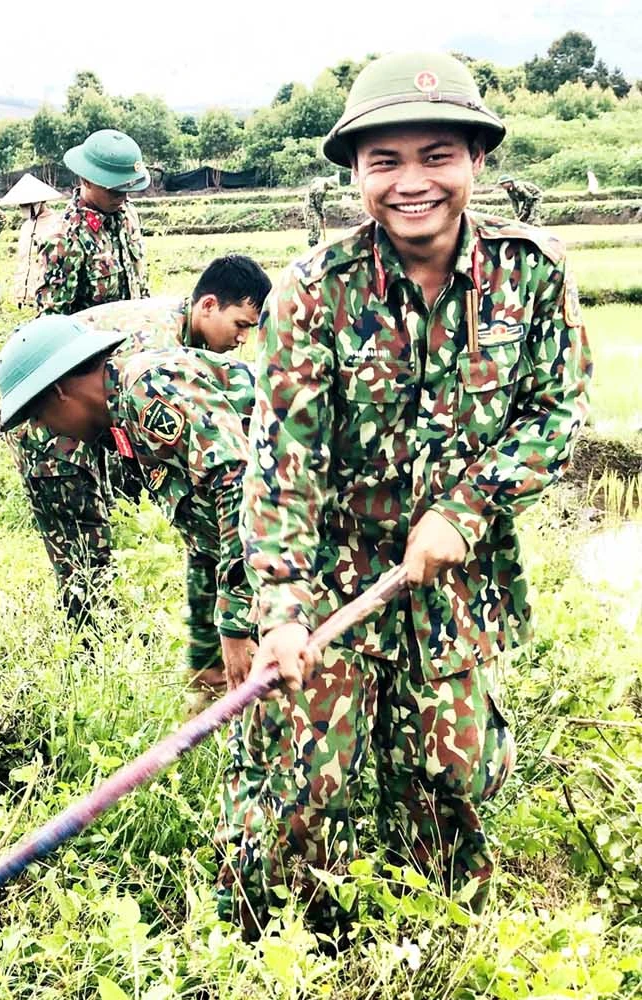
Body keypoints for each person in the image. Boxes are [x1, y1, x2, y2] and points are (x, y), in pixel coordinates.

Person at [228, 51, 592, 944]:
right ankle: (266, 950)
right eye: (384, 162)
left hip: (456, 587)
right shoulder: (312, 293)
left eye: (437, 155)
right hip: (332, 582)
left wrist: (463, 511)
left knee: (455, 782)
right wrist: (281, 609)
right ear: (355, 173)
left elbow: (560, 410)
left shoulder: (532, 275)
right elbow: (284, 467)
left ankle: (437, 945)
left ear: (475, 159)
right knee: (296, 788)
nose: (412, 183)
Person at [7, 256, 271, 683]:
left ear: (61, 393)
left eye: (39, 419)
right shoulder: (124, 410)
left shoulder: (147, 389)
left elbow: (240, 483)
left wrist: (235, 624)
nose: (44, 432)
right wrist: (209, 657)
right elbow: (206, 537)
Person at [34, 129, 150, 315]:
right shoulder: (64, 239)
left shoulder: (127, 215)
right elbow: (53, 320)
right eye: (115, 190)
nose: (123, 198)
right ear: (86, 180)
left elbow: (140, 284)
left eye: (129, 190)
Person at [0, 172, 66, 306]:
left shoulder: (56, 224)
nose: (22, 208)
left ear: (38, 203)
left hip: (45, 297)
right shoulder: (26, 226)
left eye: (26, 205)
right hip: (23, 298)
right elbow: (23, 261)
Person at [304, 176, 336, 248]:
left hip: (310, 206)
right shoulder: (321, 191)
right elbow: (319, 205)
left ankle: (314, 246)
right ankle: (313, 247)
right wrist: (322, 216)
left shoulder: (319, 181)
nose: (329, 190)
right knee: (315, 229)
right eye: (330, 188)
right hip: (311, 208)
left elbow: (313, 180)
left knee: (315, 228)